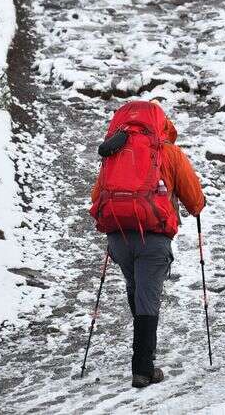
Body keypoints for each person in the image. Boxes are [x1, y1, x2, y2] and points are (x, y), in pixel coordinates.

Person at [89, 99, 205, 388]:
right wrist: (198, 205)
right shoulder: (168, 152)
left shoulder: (114, 151)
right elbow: (193, 199)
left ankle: (143, 353)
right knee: (147, 300)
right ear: (161, 124)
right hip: (153, 238)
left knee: (137, 291)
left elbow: (96, 197)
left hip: (119, 238)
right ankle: (142, 369)